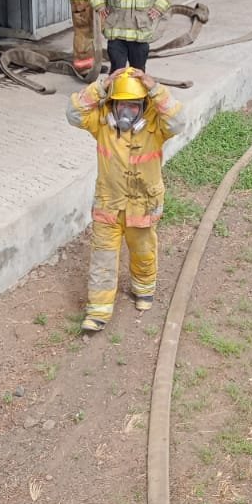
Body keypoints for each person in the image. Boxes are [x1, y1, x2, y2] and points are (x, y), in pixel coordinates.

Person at [66, 65, 185, 333]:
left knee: (143, 251)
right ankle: (98, 310)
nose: (127, 112)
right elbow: (73, 114)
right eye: (121, 106)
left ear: (144, 106)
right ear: (113, 106)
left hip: (141, 205)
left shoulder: (156, 126)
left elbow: (178, 121)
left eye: (134, 106)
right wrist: (100, 87)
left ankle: (144, 288)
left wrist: (155, 89)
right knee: (103, 258)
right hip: (109, 205)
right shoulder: (103, 124)